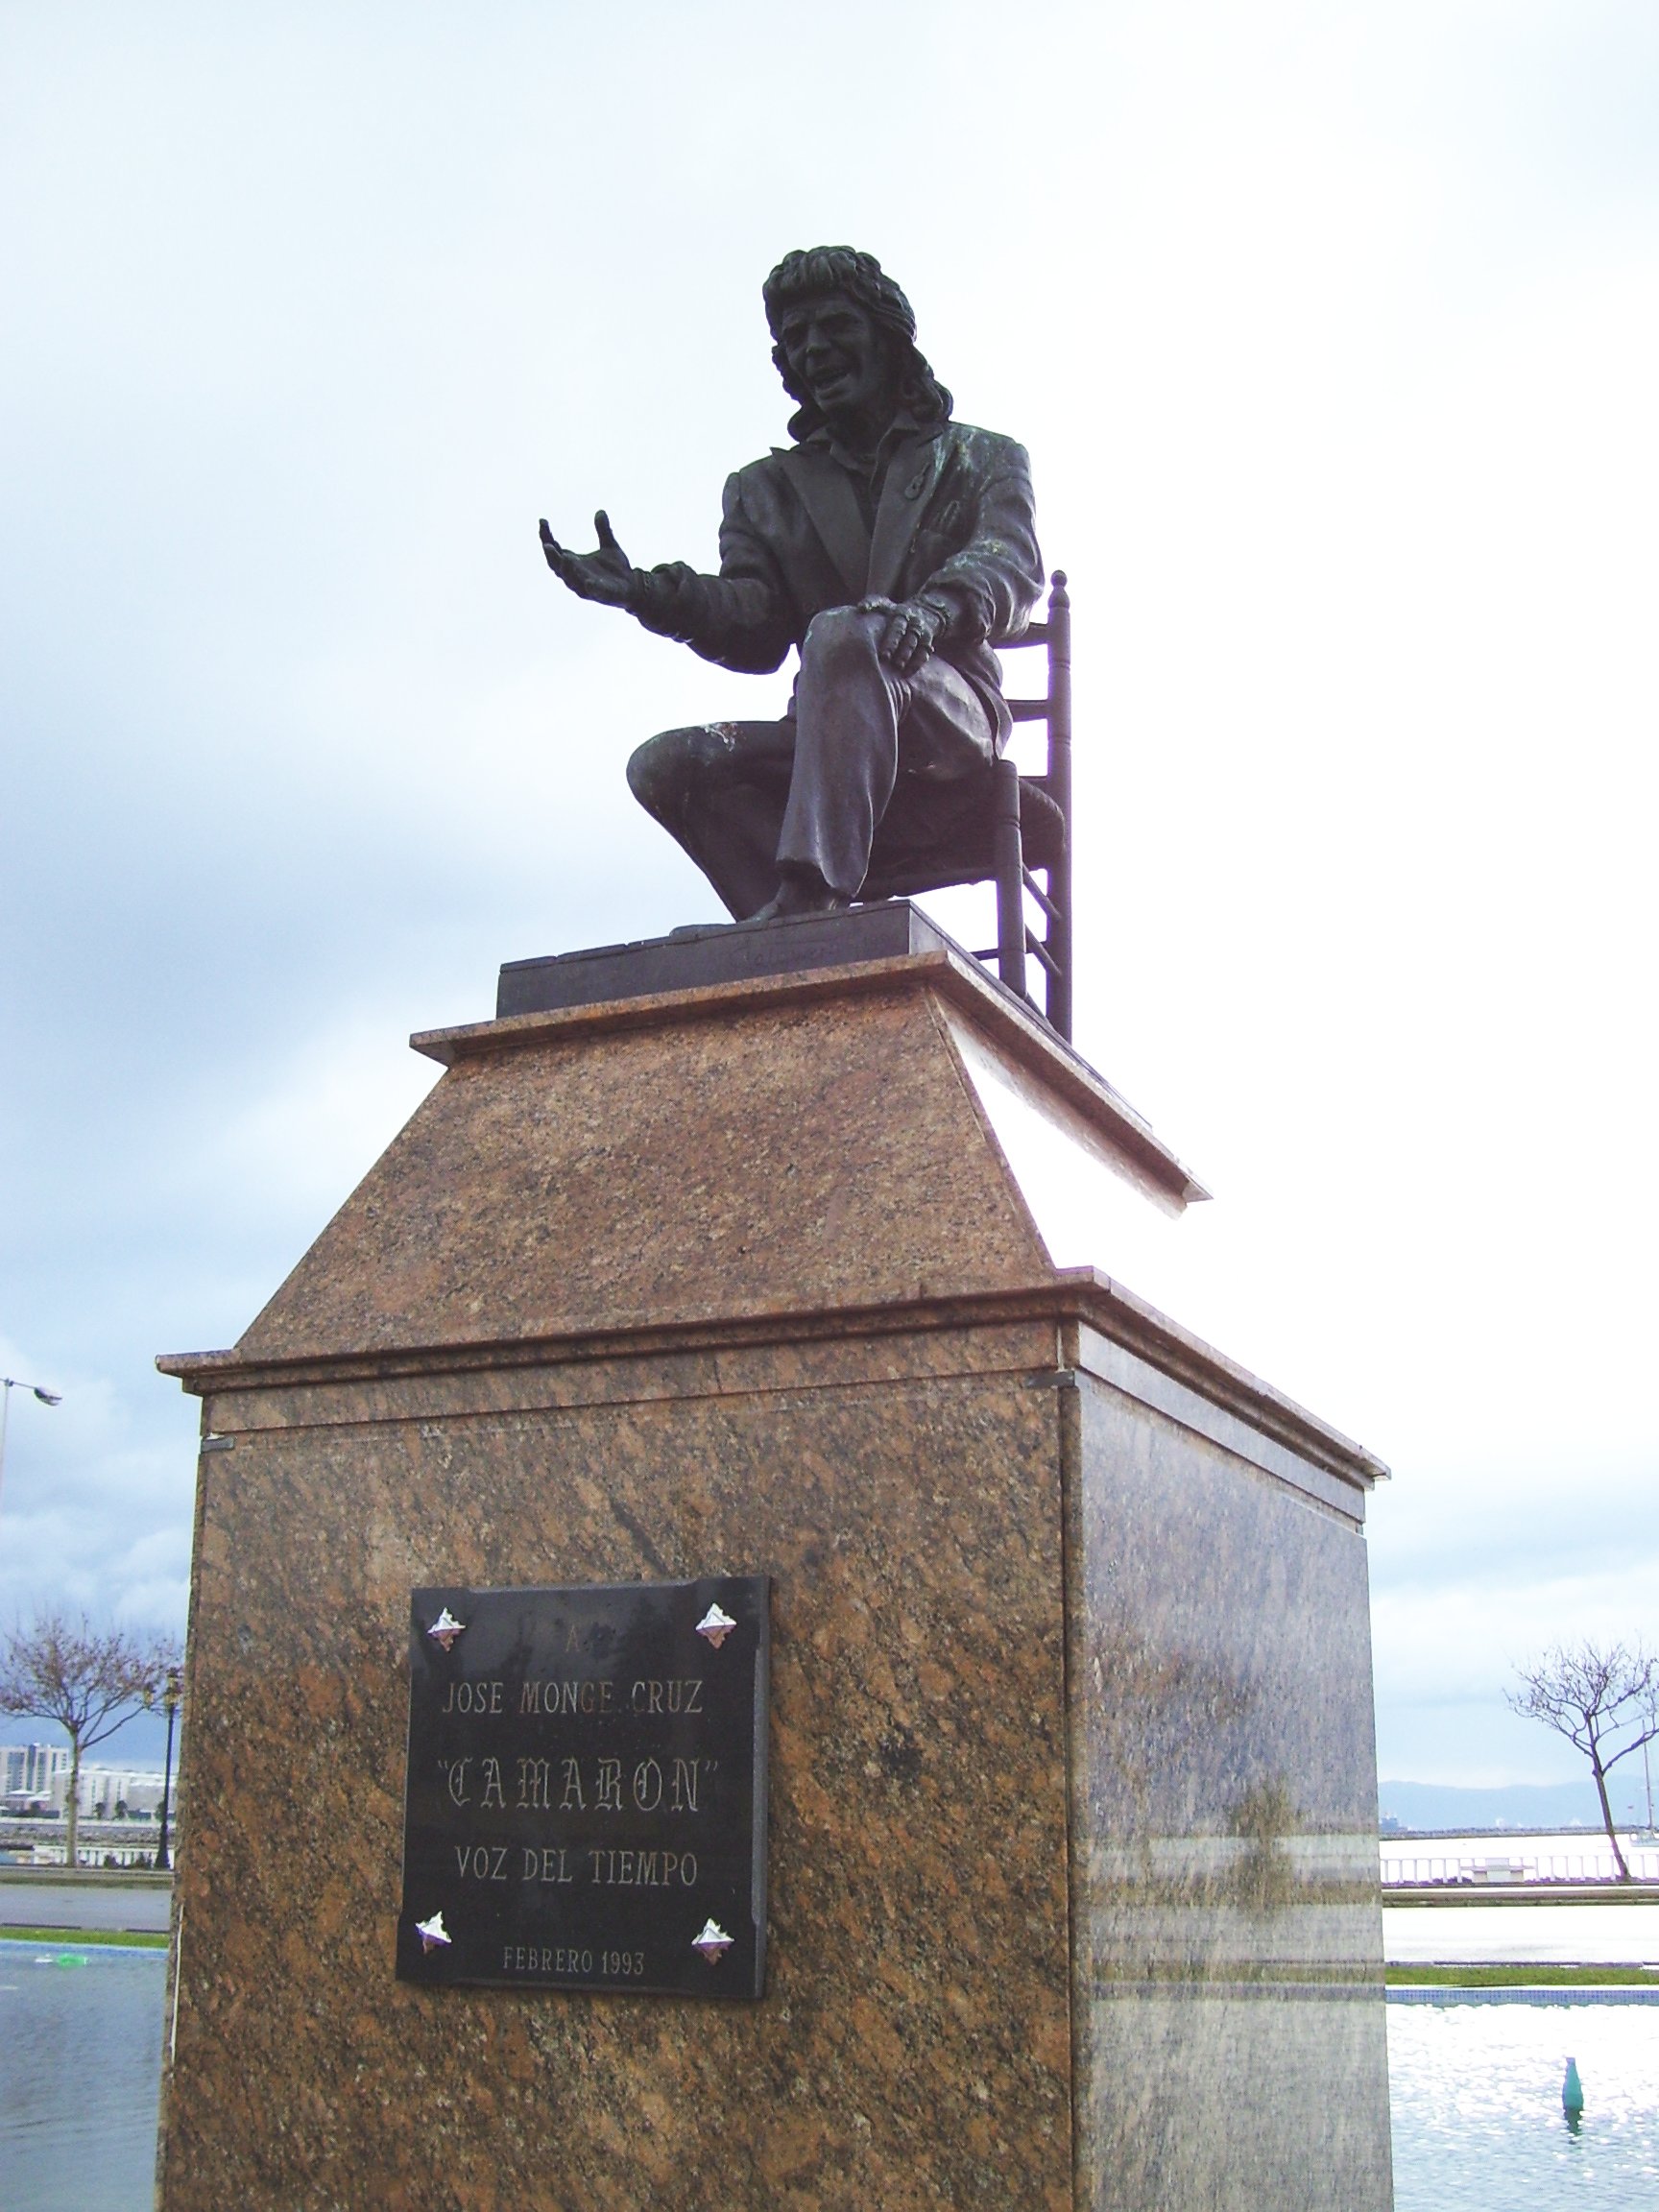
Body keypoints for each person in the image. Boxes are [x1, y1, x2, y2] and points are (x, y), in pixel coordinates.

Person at [540, 246, 1044, 922]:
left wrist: (931, 612)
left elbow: (1008, 563)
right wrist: (647, 593)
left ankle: (807, 899)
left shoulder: (982, 456)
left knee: (842, 632)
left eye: (834, 327)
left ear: (886, 337)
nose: (814, 349)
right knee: (667, 766)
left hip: (943, 711)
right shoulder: (763, 489)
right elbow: (756, 628)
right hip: (824, 737)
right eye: (795, 338)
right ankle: (796, 943)